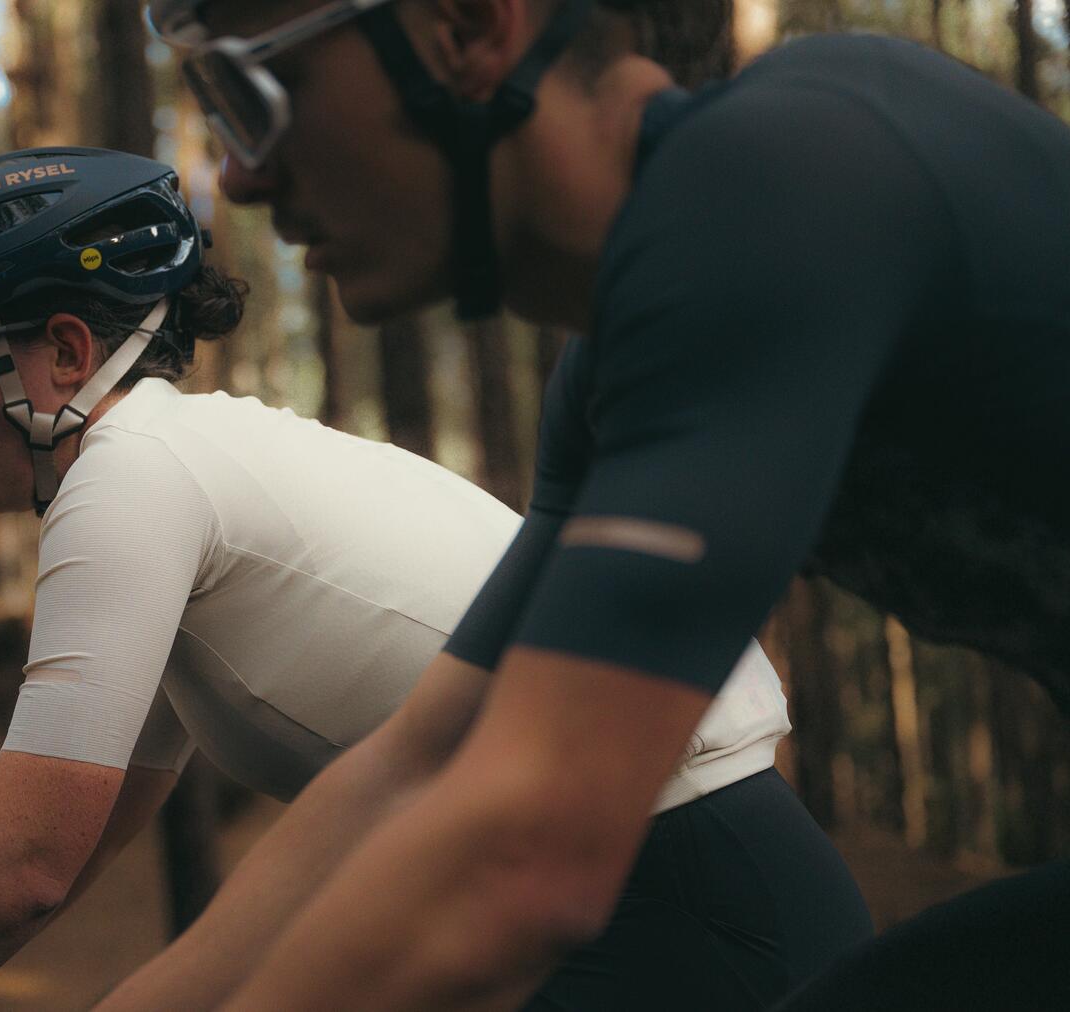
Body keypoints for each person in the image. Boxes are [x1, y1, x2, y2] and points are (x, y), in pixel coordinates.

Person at [0, 144, 864, 1012]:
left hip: (678, 895)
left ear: (65, 354)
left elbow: (21, 867)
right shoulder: (176, 472)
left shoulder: (130, 477)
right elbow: (68, 854)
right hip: (676, 874)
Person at [119, 0, 1070, 1008]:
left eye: (257, 93)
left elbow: (528, 854)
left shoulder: (780, 178)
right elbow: (418, 760)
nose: (240, 174)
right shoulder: (618, 361)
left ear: (469, 30)